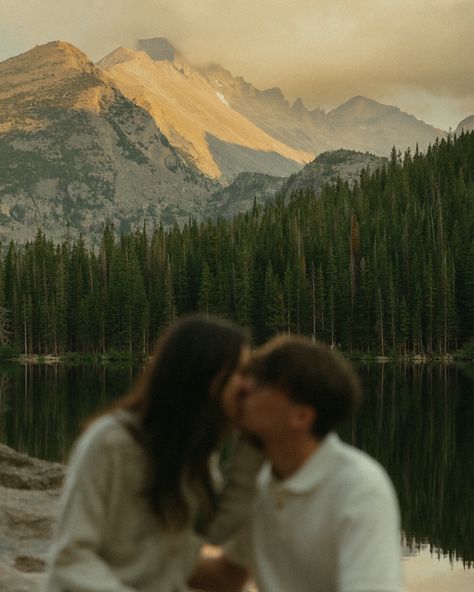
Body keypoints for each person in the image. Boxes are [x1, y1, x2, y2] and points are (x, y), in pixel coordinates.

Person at [46, 315, 262, 592]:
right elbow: (71, 559)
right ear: (204, 374)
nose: (248, 387)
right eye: (241, 372)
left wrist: (255, 443)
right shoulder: (111, 443)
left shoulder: (194, 456)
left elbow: (218, 532)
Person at [190, 335, 404, 592]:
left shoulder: (359, 488)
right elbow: (226, 575)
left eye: (260, 383)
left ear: (301, 416)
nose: (243, 388)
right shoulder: (257, 485)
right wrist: (142, 553)